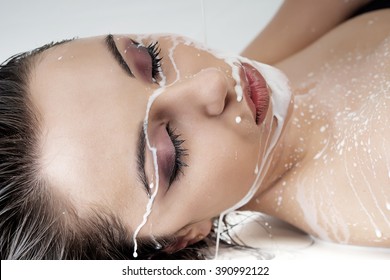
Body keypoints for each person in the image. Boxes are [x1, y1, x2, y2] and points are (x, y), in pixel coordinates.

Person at [0, 0, 389, 259]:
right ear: (180, 238)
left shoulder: (260, 78)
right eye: (172, 150)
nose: (211, 83)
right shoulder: (376, 175)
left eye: (148, 59)